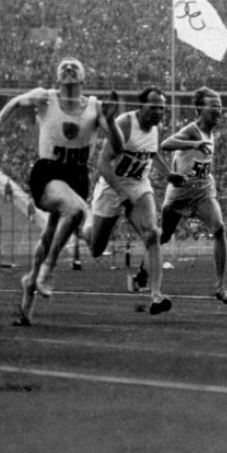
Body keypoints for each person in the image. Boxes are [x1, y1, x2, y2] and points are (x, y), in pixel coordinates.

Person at [0, 57, 118, 326]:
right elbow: (12, 104)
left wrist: (112, 122)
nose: (68, 68)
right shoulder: (45, 98)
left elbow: (119, 145)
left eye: (74, 66)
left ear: (83, 79)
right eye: (63, 66)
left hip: (77, 175)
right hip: (48, 172)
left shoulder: (94, 106)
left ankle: (28, 297)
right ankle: (47, 271)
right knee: (77, 210)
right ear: (57, 78)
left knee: (49, 234)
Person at [130, 86, 227, 303]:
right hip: (179, 194)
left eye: (220, 107)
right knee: (163, 236)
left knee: (220, 228)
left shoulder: (211, 131)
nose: (218, 111)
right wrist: (194, 143)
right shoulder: (193, 130)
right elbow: (166, 144)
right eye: (213, 107)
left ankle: (220, 287)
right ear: (199, 109)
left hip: (203, 191)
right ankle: (142, 273)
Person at [80, 86, 173, 315]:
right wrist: (121, 193)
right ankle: (84, 225)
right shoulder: (124, 124)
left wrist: (169, 173)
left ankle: (156, 296)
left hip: (139, 184)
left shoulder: (156, 128)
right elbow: (103, 164)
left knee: (152, 234)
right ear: (141, 106)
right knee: (96, 248)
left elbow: (152, 153)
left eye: (162, 108)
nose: (159, 112)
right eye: (154, 107)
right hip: (112, 187)